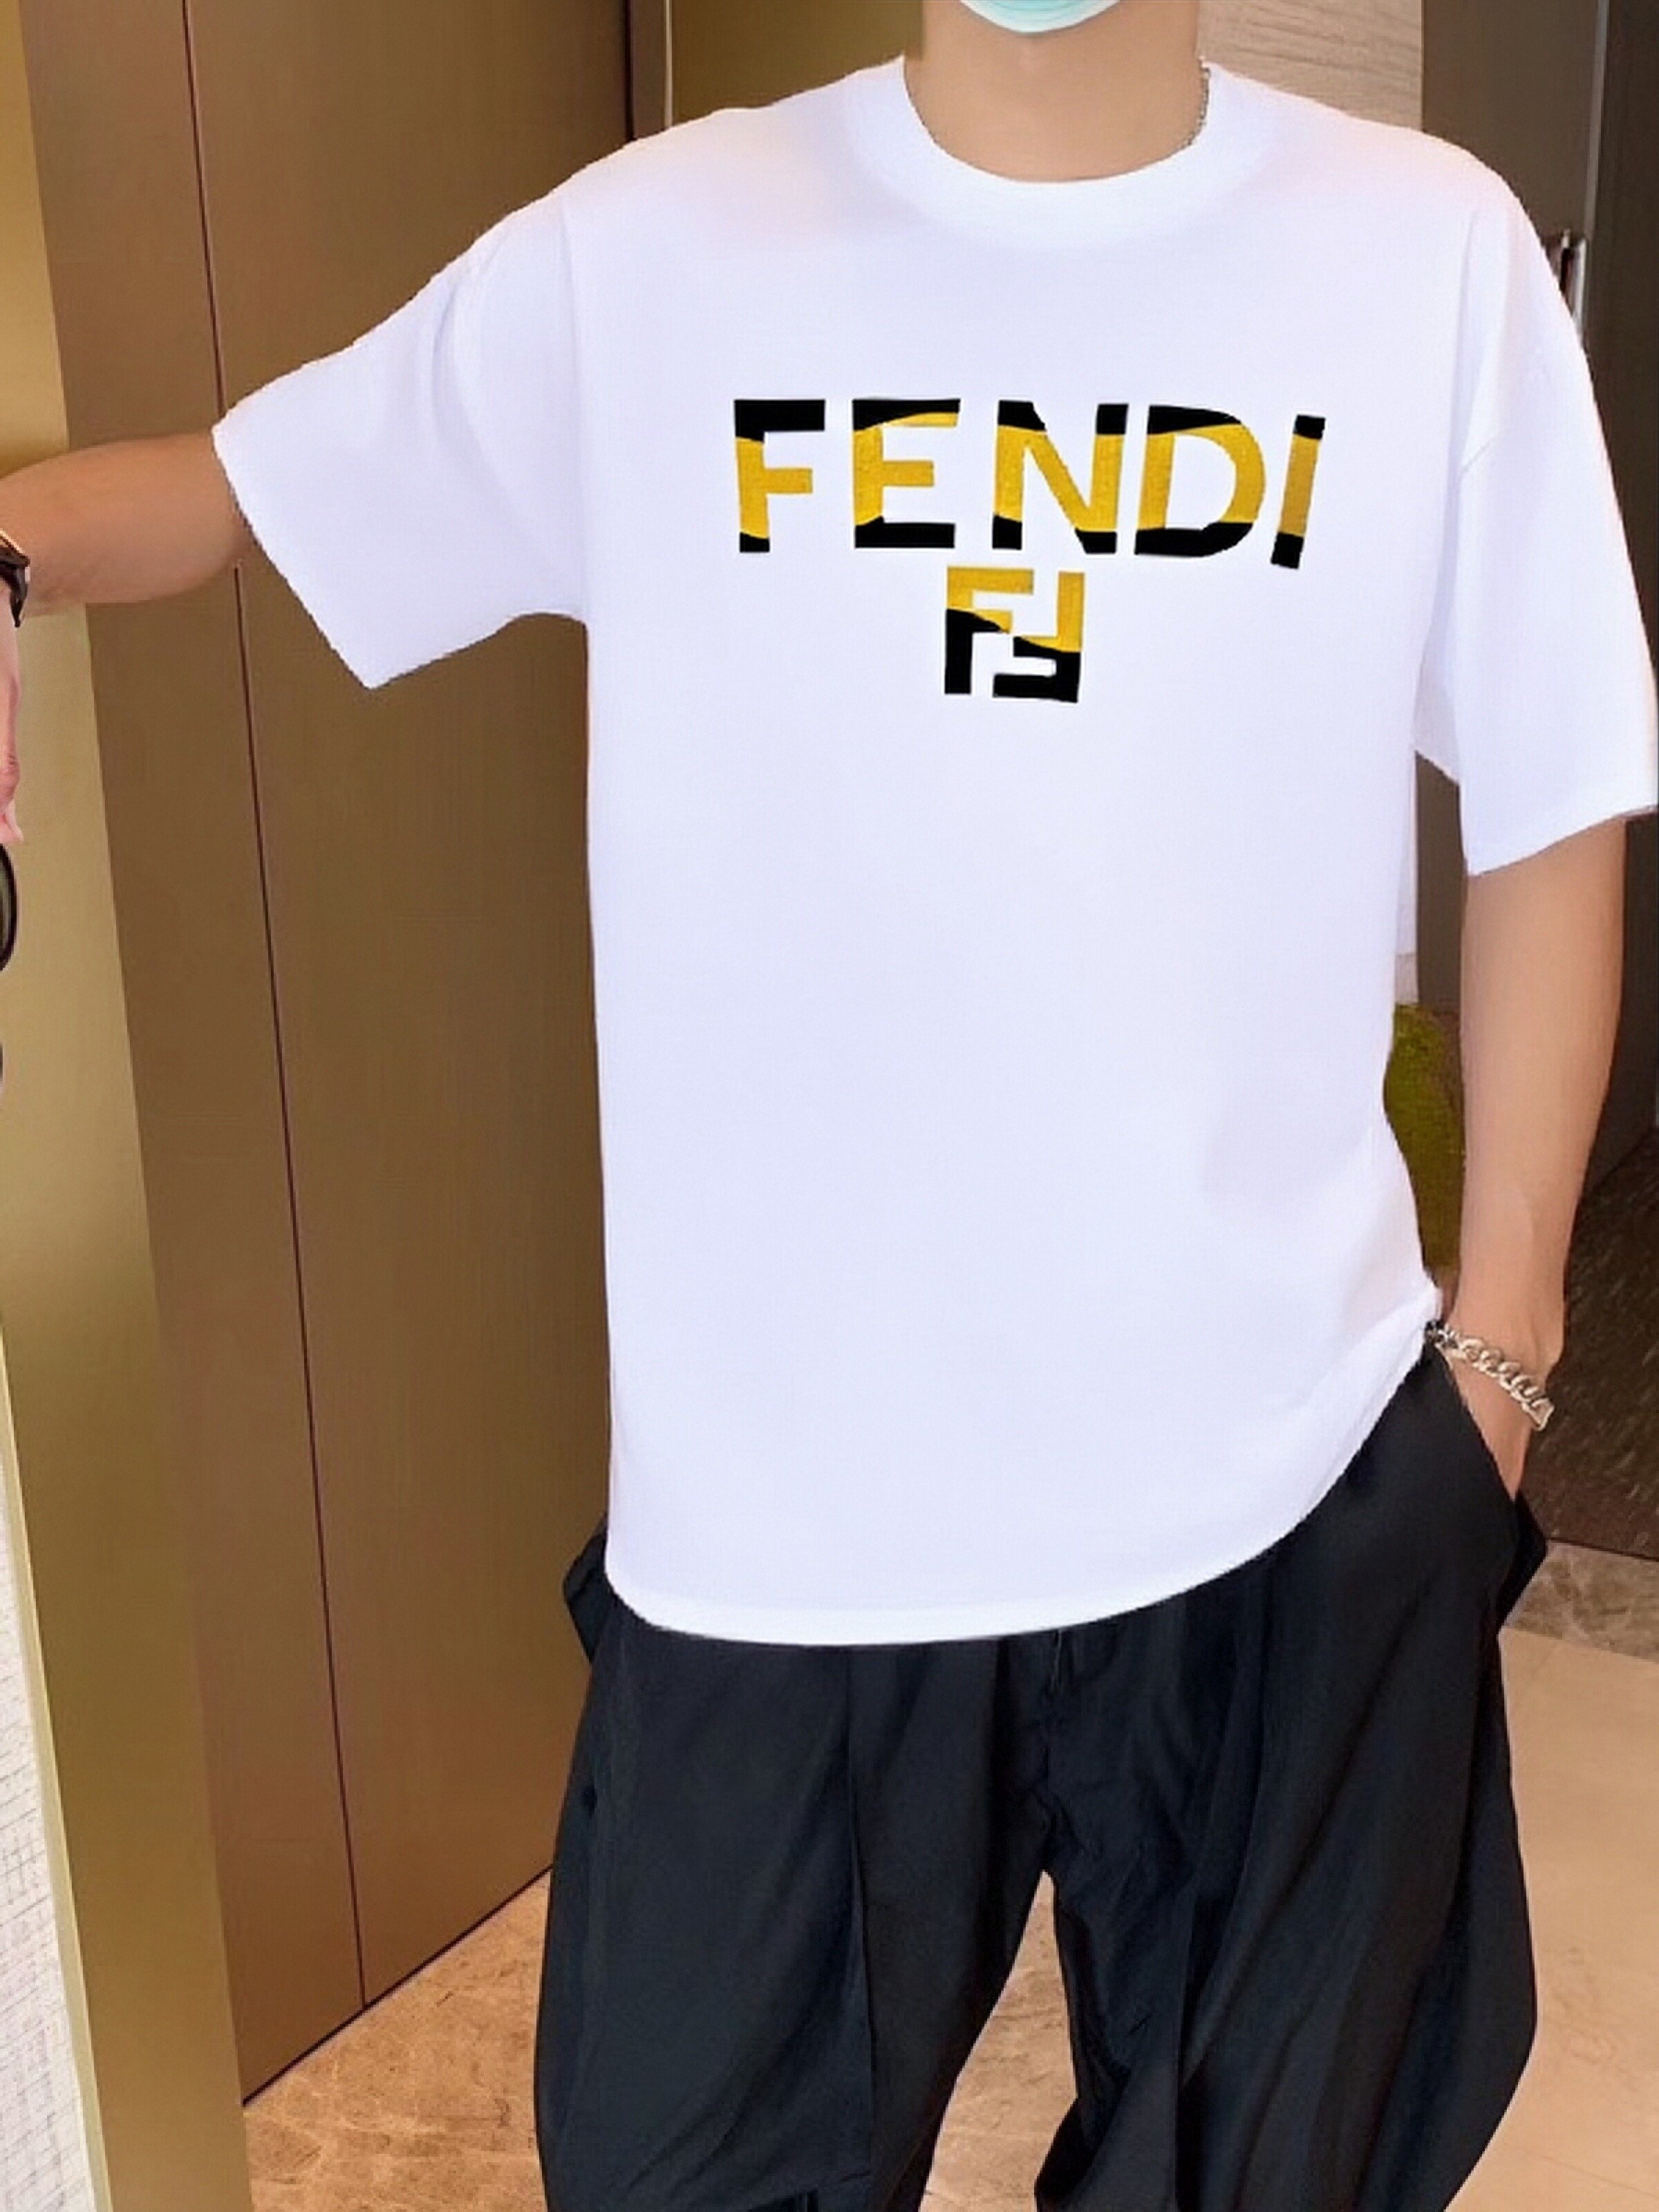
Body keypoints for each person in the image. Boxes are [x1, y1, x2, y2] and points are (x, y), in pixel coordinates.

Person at [3, 0, 1656, 2203]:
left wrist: (1504, 1359)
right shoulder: (659, 250)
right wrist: (6, 553)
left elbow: (1552, 789)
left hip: (1277, 1469)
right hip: (784, 1521)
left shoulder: (1421, 253)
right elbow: (236, 491)